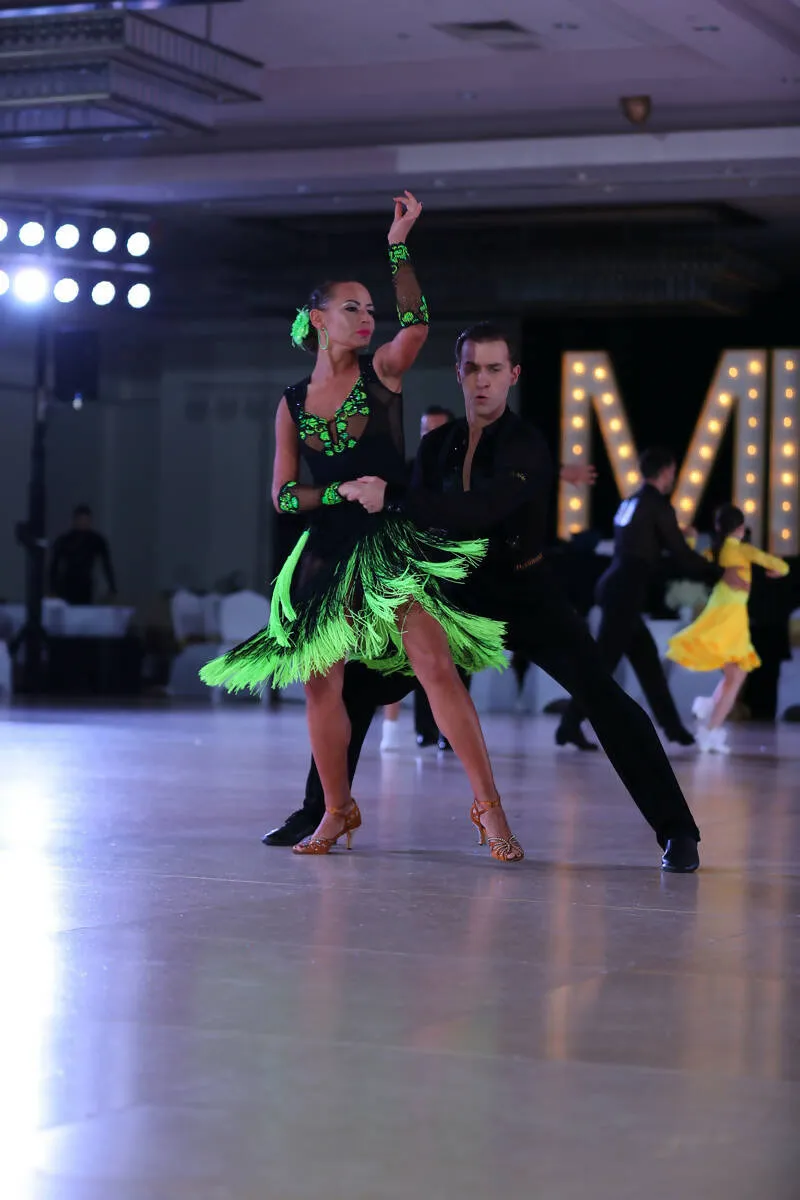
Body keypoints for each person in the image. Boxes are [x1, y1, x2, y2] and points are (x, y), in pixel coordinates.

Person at [268, 323, 704, 873]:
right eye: (472, 368)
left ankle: (678, 831)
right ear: (459, 373)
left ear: (513, 376)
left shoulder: (526, 444)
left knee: (603, 698)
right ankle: (322, 811)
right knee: (355, 685)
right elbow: (414, 520)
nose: (482, 381)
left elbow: (477, 510)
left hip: (528, 595)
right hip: (457, 597)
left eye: (495, 369)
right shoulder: (435, 447)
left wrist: (395, 500)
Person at [200, 196, 523, 863]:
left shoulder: (383, 373)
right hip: (326, 550)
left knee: (434, 666)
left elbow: (419, 322)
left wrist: (398, 244)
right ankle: (338, 810)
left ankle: (488, 808)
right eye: (355, 307)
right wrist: (337, 490)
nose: (369, 318)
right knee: (323, 683)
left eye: (372, 309)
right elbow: (284, 495)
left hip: (387, 547)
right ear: (319, 318)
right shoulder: (291, 402)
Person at [555, 447, 746, 752]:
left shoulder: (630, 502)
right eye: (672, 471)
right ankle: (568, 725)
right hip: (626, 591)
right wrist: (720, 572)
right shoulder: (658, 505)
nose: (673, 476)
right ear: (667, 471)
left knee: (646, 662)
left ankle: (674, 730)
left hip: (617, 587)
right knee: (602, 666)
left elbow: (637, 542)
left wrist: (667, 535)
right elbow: (681, 555)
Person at [666, 503, 789, 753]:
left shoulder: (715, 551)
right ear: (741, 529)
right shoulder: (744, 550)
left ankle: (710, 711)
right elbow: (781, 565)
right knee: (737, 677)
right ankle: (710, 730)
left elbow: (692, 563)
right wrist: (776, 571)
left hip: (717, 613)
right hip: (731, 618)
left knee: (734, 675)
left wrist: (689, 541)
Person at [49, 504, 116, 605]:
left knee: (83, 613)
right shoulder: (64, 540)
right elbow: (54, 566)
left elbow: (106, 564)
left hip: (85, 584)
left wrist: (112, 587)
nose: (83, 523)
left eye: (86, 520)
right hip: (66, 583)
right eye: (81, 519)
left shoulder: (96, 540)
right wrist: (52, 589)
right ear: (75, 520)